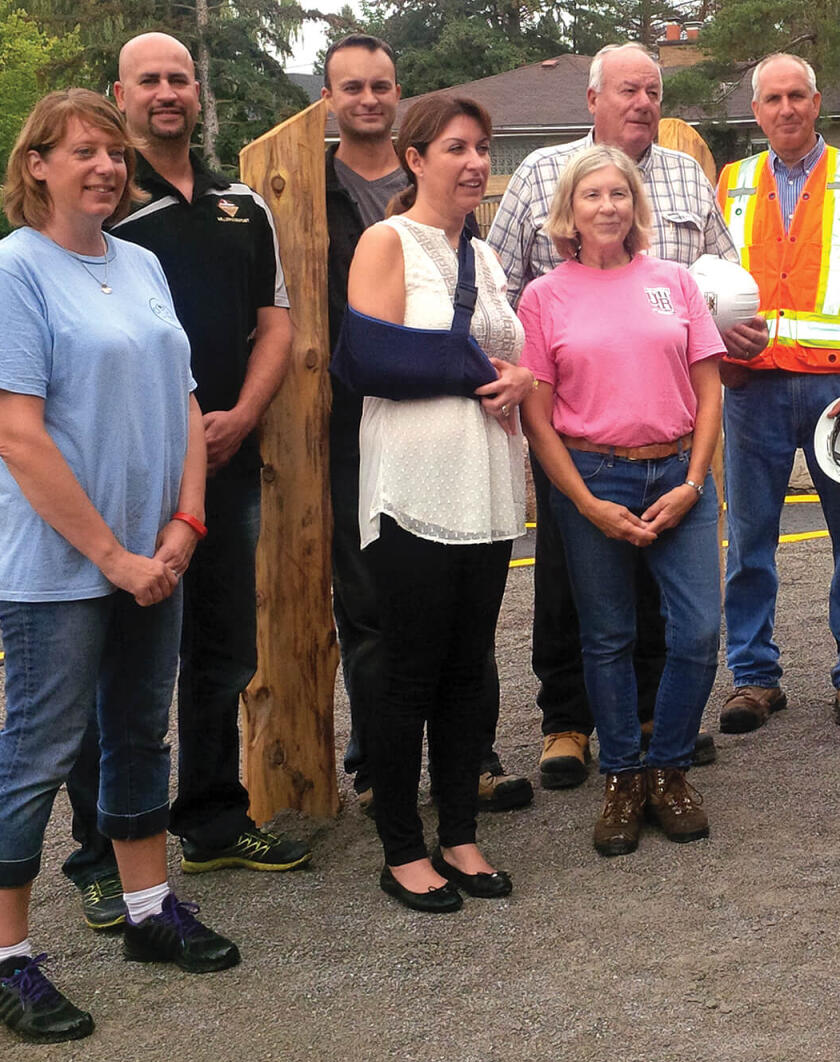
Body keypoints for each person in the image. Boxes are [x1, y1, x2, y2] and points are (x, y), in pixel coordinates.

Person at [0, 88, 240, 1046]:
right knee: (37, 754)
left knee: (141, 732)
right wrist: (113, 555)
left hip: (156, 550)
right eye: (79, 151)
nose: (102, 166)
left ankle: (148, 913)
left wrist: (184, 521)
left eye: (111, 151)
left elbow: (184, 399)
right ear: (37, 166)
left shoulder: (139, 262)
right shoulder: (14, 271)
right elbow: (15, 435)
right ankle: (6, 960)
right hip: (60, 564)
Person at [63, 31, 306, 934]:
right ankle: (97, 853)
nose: (167, 93)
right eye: (149, 81)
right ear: (119, 94)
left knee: (220, 654)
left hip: (225, 467)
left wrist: (243, 412)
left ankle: (209, 820)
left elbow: (274, 320)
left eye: (179, 79)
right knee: (114, 674)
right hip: (125, 478)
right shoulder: (98, 208)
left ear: (196, 94)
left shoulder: (244, 206)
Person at [489, 41, 751, 789]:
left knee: (668, 608)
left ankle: (648, 729)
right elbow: (502, 287)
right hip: (576, 419)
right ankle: (568, 724)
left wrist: (737, 319)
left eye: (652, 91)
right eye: (627, 90)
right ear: (592, 98)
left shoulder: (686, 177)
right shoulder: (542, 171)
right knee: (576, 595)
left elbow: (722, 278)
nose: (641, 103)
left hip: (668, 424)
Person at [321, 33, 534, 815]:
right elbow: (369, 360)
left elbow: (508, 356)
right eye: (456, 147)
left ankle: (461, 822)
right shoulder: (386, 240)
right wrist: (481, 371)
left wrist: (522, 376)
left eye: (482, 148)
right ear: (416, 160)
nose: (474, 161)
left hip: (483, 488)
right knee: (401, 655)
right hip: (410, 484)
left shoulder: (487, 257)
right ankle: (398, 827)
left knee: (466, 660)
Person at [519, 145, 725, 856]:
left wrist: (694, 482)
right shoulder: (544, 297)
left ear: (636, 207)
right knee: (607, 637)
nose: (606, 206)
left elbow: (708, 391)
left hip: (678, 475)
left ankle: (668, 766)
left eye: (618, 194)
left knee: (697, 631)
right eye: (590, 196)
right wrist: (582, 502)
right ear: (568, 213)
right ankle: (624, 779)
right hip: (593, 478)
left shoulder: (674, 282)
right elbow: (537, 419)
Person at [713, 53, 840, 731]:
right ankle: (753, 676)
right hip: (753, 390)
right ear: (757, 110)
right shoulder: (732, 182)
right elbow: (708, 288)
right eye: (773, 98)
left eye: (797, 95)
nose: (786, 109)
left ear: (817, 101)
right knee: (748, 540)